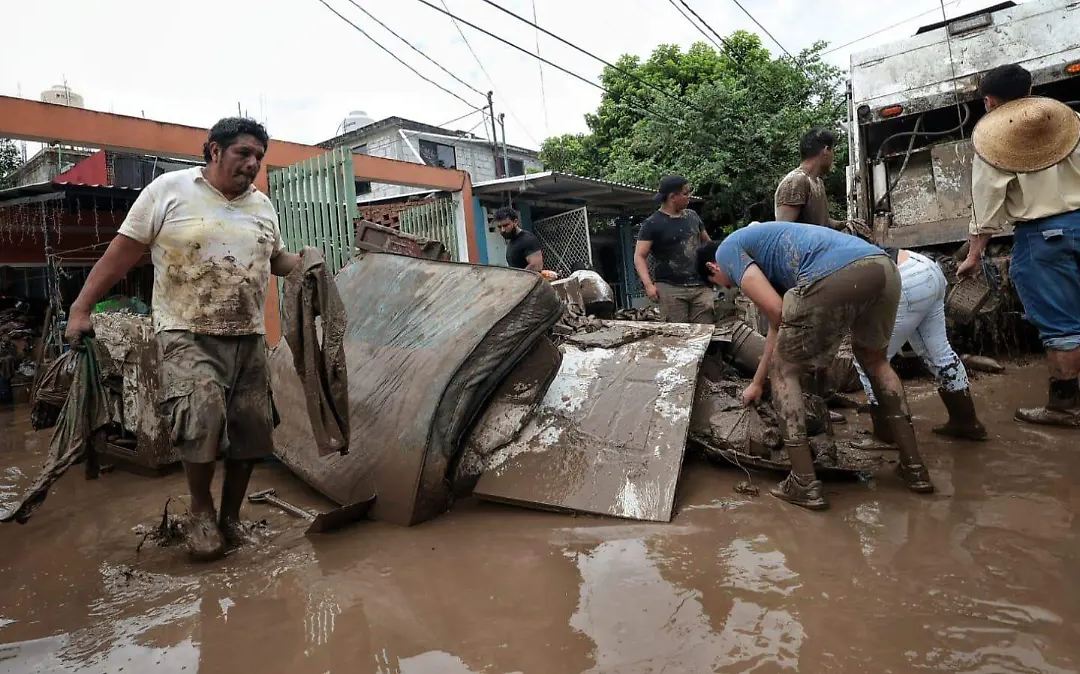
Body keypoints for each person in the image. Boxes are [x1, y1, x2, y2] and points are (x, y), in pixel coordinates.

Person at [64, 117, 302, 561]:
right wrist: (80, 309)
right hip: (184, 329)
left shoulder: (262, 207)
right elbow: (122, 253)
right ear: (213, 150)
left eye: (258, 158)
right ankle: (202, 511)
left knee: (253, 430)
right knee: (201, 416)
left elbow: (275, 260)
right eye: (243, 153)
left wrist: (304, 264)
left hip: (247, 334)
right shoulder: (168, 191)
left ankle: (232, 516)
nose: (252, 164)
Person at [697, 222, 934, 510]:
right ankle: (914, 468)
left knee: (785, 372)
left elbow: (775, 311)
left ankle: (804, 483)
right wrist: (757, 383)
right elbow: (778, 324)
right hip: (883, 268)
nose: (727, 288)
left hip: (837, 274)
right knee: (876, 362)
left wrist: (769, 377)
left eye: (719, 284)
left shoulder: (726, 251)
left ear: (712, 267)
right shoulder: (771, 252)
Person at [958, 63, 1080, 428]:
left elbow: (987, 202)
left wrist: (974, 253)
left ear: (989, 101)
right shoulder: (1068, 118)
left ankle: (1064, 407)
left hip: (1045, 237)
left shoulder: (993, 137)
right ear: (1029, 88)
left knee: (1062, 325)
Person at [855, 249, 987, 447]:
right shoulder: (832, 240)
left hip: (904, 279)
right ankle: (966, 422)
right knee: (939, 352)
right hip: (926, 268)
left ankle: (887, 434)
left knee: (869, 360)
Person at [634, 175, 714, 324]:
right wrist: (648, 285)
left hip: (701, 287)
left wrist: (715, 266)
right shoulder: (652, 224)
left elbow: (707, 244)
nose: (689, 197)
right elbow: (639, 256)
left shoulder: (693, 216)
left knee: (705, 333)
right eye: (685, 193)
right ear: (672, 197)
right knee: (677, 336)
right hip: (671, 289)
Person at [775, 128, 846, 230]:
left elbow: (822, 224)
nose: (833, 156)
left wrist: (845, 224)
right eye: (833, 150)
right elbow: (782, 231)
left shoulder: (818, 183)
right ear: (825, 151)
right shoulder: (795, 181)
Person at [494, 206, 544, 272]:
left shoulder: (527, 239)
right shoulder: (512, 241)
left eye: (506, 225)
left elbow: (536, 266)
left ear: (515, 222)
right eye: (499, 227)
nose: (503, 230)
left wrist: (516, 280)